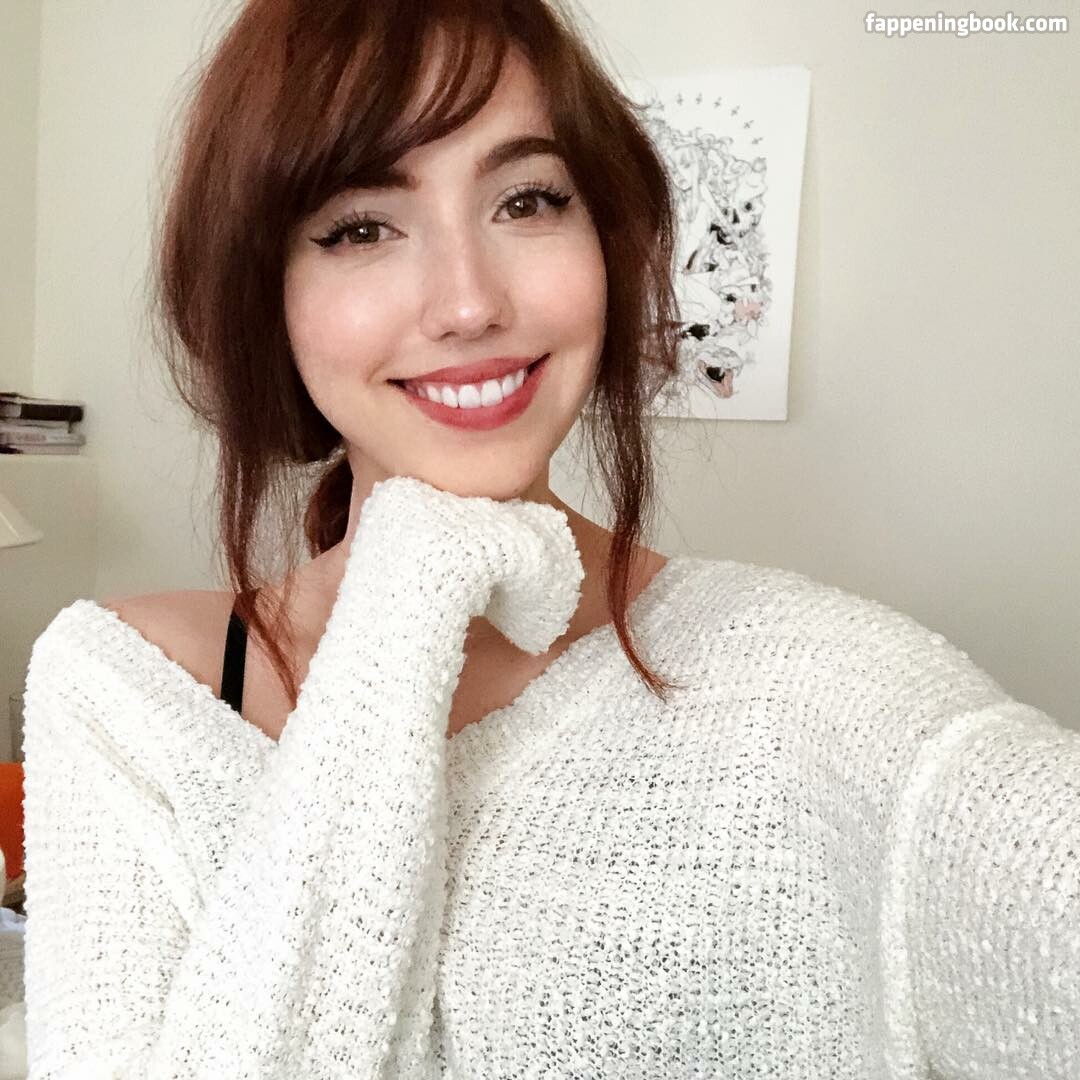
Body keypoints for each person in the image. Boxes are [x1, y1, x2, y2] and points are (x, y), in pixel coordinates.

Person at [19, 1, 1078, 1077]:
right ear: (266, 296)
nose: (469, 303)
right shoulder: (126, 691)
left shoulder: (821, 688)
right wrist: (411, 592)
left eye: (527, 200)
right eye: (361, 227)